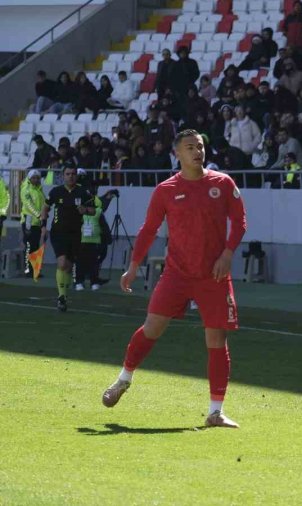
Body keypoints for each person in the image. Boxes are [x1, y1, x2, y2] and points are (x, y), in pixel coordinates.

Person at [101, 129, 247, 429]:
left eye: (201, 146)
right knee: (152, 328)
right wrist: (133, 266)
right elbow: (148, 229)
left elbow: (240, 221)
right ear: (177, 154)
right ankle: (123, 379)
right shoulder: (166, 190)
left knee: (216, 339)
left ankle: (215, 412)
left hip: (213, 276)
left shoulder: (223, 183)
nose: (198, 152)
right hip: (177, 273)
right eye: (190, 147)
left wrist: (228, 253)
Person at [41, 166, 95, 311]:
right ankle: (62, 296)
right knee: (62, 262)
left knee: (68, 267)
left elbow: (93, 210)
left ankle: (64, 295)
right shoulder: (56, 191)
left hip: (75, 233)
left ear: (76, 176)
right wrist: (43, 226)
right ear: (63, 176)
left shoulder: (83, 192)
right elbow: (45, 208)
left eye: (73, 174)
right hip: (58, 232)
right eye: (68, 174)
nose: (70, 176)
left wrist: (85, 210)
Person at [74, 172, 106, 292]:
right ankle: (79, 281)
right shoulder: (80, 197)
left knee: (94, 261)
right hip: (82, 236)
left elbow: (98, 211)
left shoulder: (96, 201)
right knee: (80, 260)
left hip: (94, 235)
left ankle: (94, 281)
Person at [20, 170, 46, 276]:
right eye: (33, 178)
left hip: (37, 222)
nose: (36, 179)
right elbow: (29, 205)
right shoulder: (26, 189)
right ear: (29, 178)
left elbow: (43, 204)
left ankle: (35, 270)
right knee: (29, 246)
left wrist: (43, 216)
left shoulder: (39, 189)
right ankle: (28, 270)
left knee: (35, 246)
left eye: (37, 178)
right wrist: (40, 216)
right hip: (29, 221)